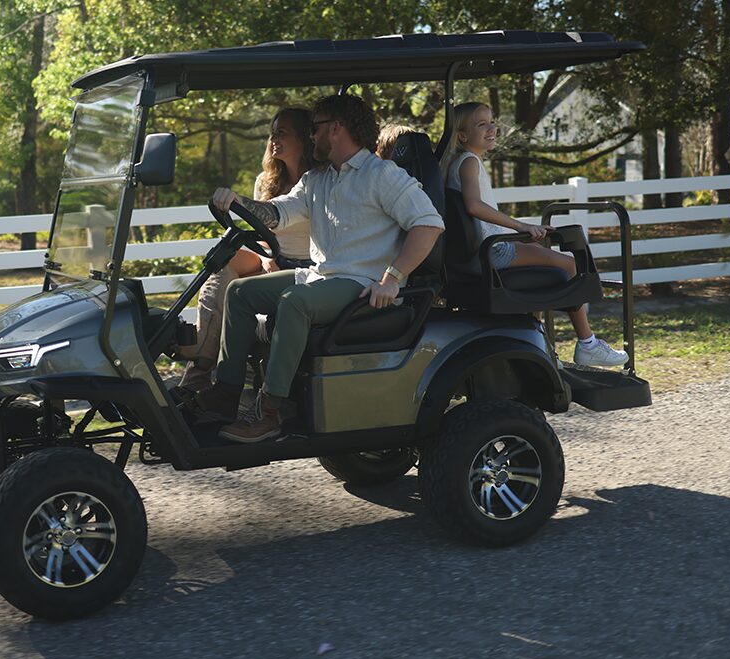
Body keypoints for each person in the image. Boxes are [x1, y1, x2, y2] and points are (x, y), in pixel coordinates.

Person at [194, 94, 445, 443]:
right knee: (240, 292)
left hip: (363, 283)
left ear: (336, 129)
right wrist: (239, 202)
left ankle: (270, 412)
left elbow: (429, 224)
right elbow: (279, 212)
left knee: (296, 301)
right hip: (320, 277)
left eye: (315, 128)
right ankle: (226, 393)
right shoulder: (319, 179)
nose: (311, 136)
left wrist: (393, 279)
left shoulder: (381, 175)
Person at [441, 101, 628, 367]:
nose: (492, 128)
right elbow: (473, 206)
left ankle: (540, 347)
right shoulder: (469, 162)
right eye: (481, 124)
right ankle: (588, 344)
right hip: (494, 250)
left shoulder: (461, 162)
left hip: (490, 246)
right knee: (571, 264)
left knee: (546, 259)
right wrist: (520, 227)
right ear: (461, 135)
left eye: (492, 121)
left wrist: (523, 231)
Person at [177, 108, 314, 395]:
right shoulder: (267, 181)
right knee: (223, 262)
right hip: (271, 258)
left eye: (282, 132)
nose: (273, 139)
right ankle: (201, 362)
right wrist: (266, 257)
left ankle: (200, 366)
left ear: (303, 138)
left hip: (305, 265)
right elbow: (266, 236)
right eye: (272, 132)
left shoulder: (317, 182)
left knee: (238, 288)